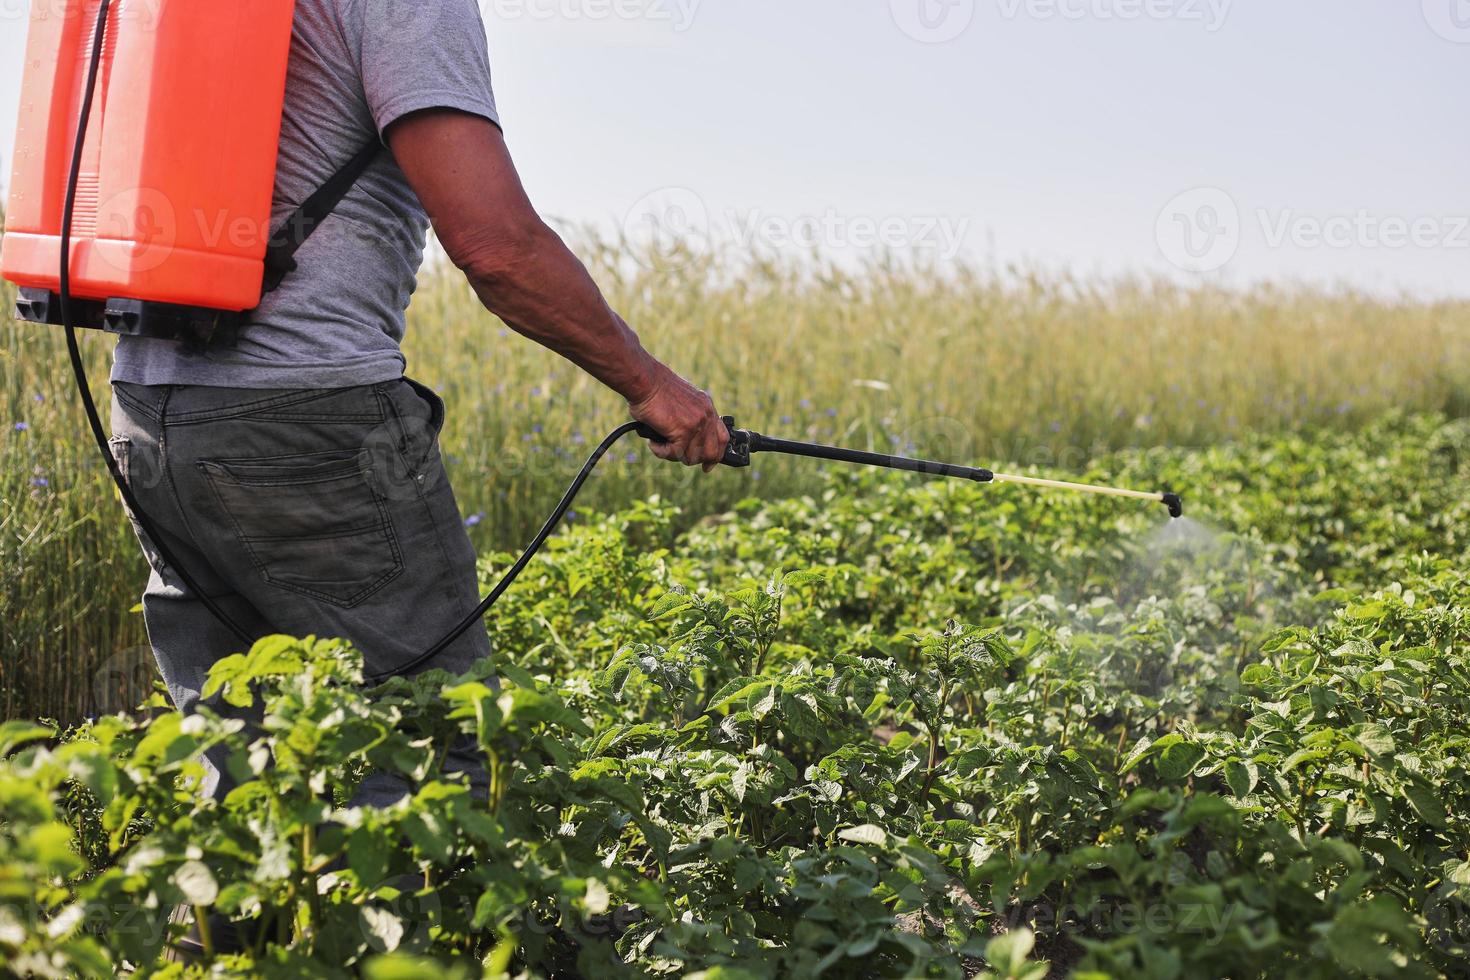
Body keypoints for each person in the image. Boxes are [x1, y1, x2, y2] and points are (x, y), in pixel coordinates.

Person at [106, 0, 729, 810]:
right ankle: (424, 936)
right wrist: (649, 384)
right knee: (434, 754)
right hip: (306, 422)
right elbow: (497, 248)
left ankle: (231, 935)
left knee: (237, 765)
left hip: (146, 413)